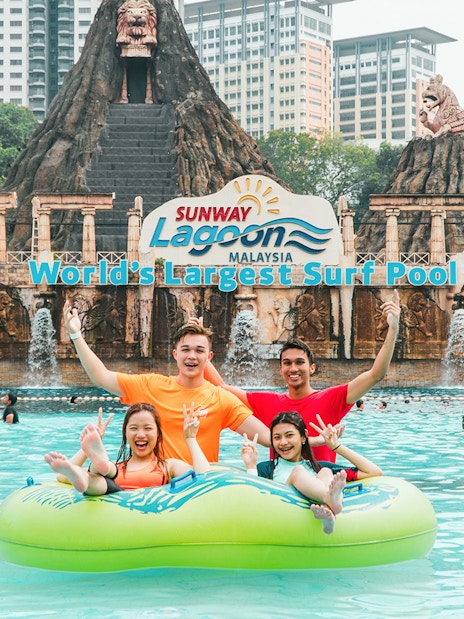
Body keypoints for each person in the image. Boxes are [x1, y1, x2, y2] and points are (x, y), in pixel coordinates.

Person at [201, 290, 400, 462]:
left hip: (321, 485)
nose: (293, 368)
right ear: (281, 370)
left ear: (312, 368)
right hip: (284, 491)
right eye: (287, 363)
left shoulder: (332, 398)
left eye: (299, 362)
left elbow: (376, 374)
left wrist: (393, 328)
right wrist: (199, 348)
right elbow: (221, 388)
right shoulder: (266, 401)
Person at [63, 300, 271, 463]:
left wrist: (300, 437)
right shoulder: (152, 386)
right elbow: (101, 376)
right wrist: (76, 335)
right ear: (175, 354)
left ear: (209, 357)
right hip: (158, 489)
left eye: (199, 351)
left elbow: (266, 436)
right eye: (186, 350)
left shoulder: (221, 399)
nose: (192, 356)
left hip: (200, 490)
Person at [241, 412, 382, 535]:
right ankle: (330, 500)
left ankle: (329, 514)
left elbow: (374, 471)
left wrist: (336, 446)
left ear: (304, 438)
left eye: (289, 435)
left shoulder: (317, 468)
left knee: (326, 472)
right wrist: (251, 465)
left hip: (318, 510)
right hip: (283, 509)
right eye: (277, 437)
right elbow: (251, 500)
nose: (283, 442)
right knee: (298, 472)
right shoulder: (267, 468)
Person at [45, 402, 210, 495]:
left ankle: (91, 470)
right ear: (125, 434)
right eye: (133, 428)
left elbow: (205, 478)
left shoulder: (167, 466)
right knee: (101, 476)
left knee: (106, 476)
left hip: (134, 505)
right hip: (108, 490)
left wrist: (190, 438)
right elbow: (62, 476)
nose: (140, 434)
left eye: (147, 428)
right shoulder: (118, 467)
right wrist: (85, 449)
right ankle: (86, 473)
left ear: (158, 434)